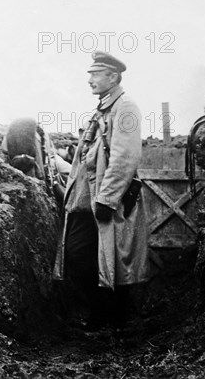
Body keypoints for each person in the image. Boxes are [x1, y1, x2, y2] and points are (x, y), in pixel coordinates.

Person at [53, 51, 149, 331]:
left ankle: (114, 318)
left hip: (109, 200)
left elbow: (125, 157)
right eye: (90, 75)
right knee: (78, 253)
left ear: (113, 77)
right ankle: (100, 311)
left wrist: (107, 199)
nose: (90, 80)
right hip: (87, 200)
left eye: (95, 75)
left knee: (115, 260)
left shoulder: (126, 107)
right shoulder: (102, 109)